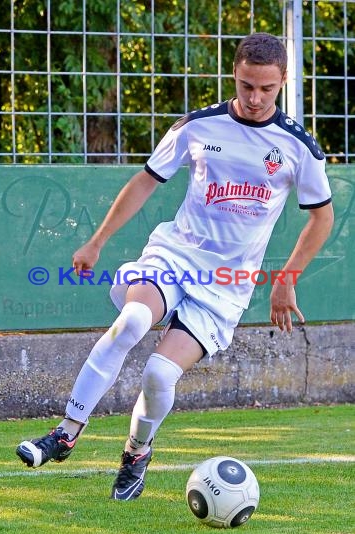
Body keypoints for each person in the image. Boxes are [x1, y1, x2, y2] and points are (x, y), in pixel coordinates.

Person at [16, 32, 334, 500]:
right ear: (235, 73)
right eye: (247, 85)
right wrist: (97, 241)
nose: (254, 97)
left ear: (282, 81)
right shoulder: (198, 126)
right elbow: (146, 180)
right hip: (174, 255)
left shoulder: (297, 147)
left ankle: (136, 452)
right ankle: (66, 433)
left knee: (160, 375)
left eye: (266, 89)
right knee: (131, 321)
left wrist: (286, 280)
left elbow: (321, 217)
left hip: (226, 284)